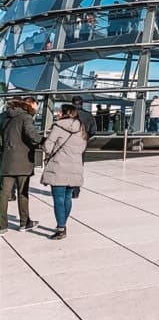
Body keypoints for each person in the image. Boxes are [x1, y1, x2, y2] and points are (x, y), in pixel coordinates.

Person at [42, 104, 87, 241]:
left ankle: (61, 228)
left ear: (65, 113)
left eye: (60, 111)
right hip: (74, 168)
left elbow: (47, 147)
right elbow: (82, 148)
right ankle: (63, 225)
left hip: (58, 168)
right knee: (67, 197)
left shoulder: (58, 126)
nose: (58, 113)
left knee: (58, 199)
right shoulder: (81, 128)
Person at [0, 96, 43, 235]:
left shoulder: (5, 117)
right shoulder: (26, 117)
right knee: (23, 193)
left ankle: (2, 226)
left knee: (3, 194)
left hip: (6, 159)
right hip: (23, 160)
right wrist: (45, 141)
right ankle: (24, 223)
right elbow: (32, 135)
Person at [71, 97, 97, 199]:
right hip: (82, 144)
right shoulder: (88, 115)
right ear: (82, 103)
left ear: (72, 103)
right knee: (78, 167)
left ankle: (68, 188)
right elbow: (93, 130)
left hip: (69, 144)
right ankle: (76, 190)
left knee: (68, 166)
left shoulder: (69, 115)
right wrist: (86, 137)